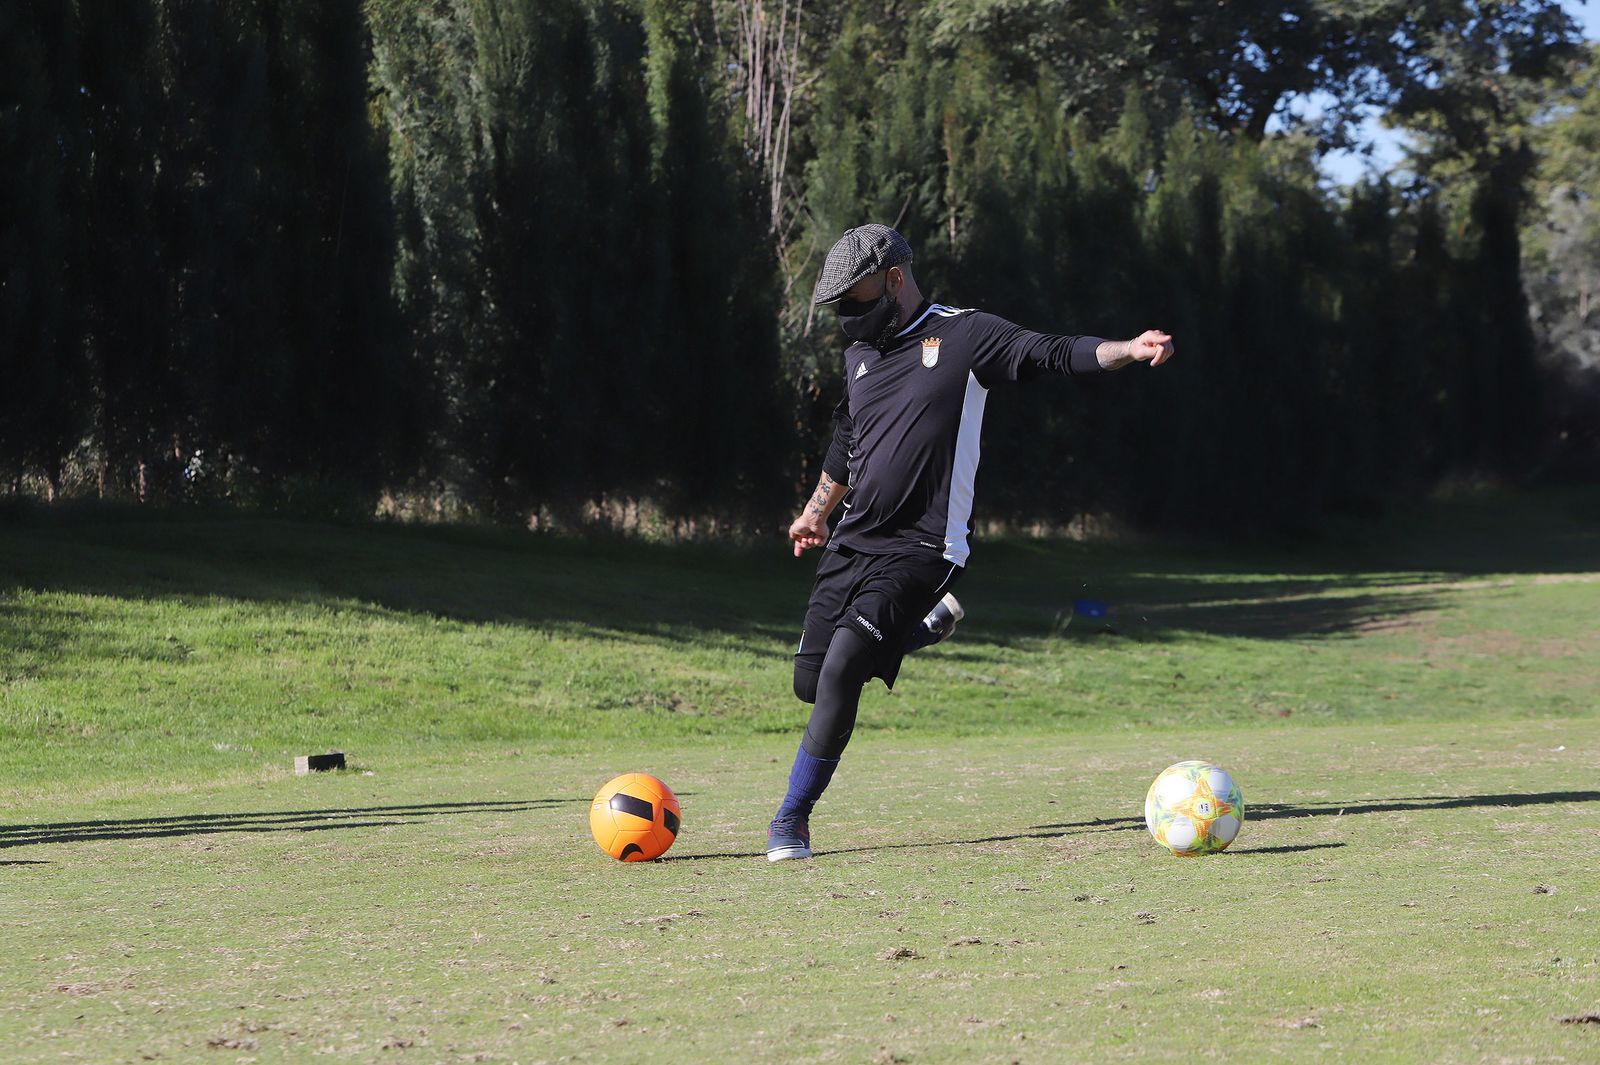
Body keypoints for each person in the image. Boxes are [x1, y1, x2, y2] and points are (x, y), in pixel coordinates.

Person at [766, 223, 1175, 862]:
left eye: (854, 295)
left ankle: (791, 820)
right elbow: (848, 435)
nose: (846, 312)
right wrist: (817, 511)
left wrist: (1126, 348)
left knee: (846, 664)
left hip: (924, 546)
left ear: (893, 280)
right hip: (853, 541)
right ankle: (919, 632)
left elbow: (1052, 352)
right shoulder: (859, 355)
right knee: (810, 684)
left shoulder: (965, 335)